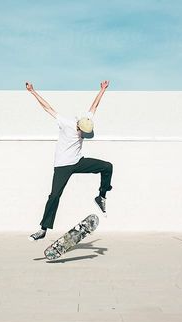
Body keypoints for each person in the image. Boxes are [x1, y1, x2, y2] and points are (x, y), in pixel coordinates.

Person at [27, 80, 113, 241]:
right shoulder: (66, 123)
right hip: (62, 165)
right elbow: (48, 108)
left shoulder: (86, 121)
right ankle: (43, 229)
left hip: (78, 161)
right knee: (54, 196)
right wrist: (33, 91)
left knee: (107, 167)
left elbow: (94, 106)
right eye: (83, 134)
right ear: (78, 127)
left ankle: (101, 196)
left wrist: (102, 90)